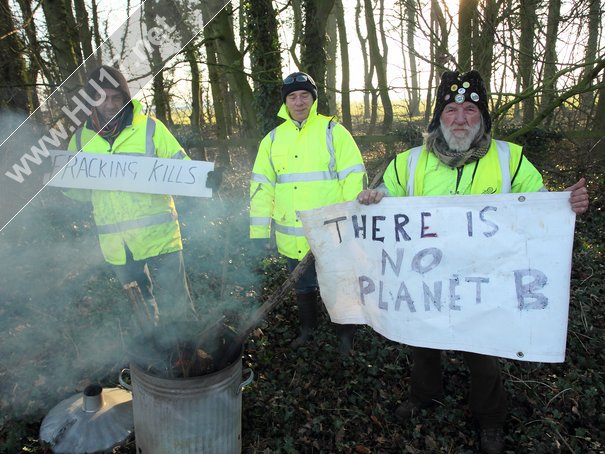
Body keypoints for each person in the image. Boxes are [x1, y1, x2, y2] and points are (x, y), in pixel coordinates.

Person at [357, 70, 589, 454]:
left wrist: (567, 204)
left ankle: (491, 418)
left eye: (470, 109)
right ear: (438, 117)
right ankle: (425, 395)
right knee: (422, 345)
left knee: (483, 357)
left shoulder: (509, 159)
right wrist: (372, 198)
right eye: (450, 109)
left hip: (486, 285)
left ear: (482, 118)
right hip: (425, 282)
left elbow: (541, 204)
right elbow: (384, 197)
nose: (460, 118)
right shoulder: (408, 163)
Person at [65, 65, 201, 323]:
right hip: (118, 243)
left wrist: (205, 178)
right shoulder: (81, 140)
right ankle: (157, 359)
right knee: (142, 311)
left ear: (125, 98)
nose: (110, 104)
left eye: (116, 97)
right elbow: (81, 194)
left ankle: (191, 357)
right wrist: (64, 182)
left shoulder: (150, 128)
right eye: (102, 97)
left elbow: (183, 170)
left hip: (159, 236)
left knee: (179, 305)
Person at [249, 71, 368, 355]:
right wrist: (258, 232)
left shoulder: (333, 132)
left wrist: (350, 222)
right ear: (285, 102)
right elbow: (261, 188)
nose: (299, 102)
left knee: (339, 284)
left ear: (313, 99)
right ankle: (308, 329)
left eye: (305, 95)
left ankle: (345, 336)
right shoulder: (272, 140)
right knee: (302, 287)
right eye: (293, 96)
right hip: (292, 234)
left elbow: (353, 178)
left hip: (331, 231)